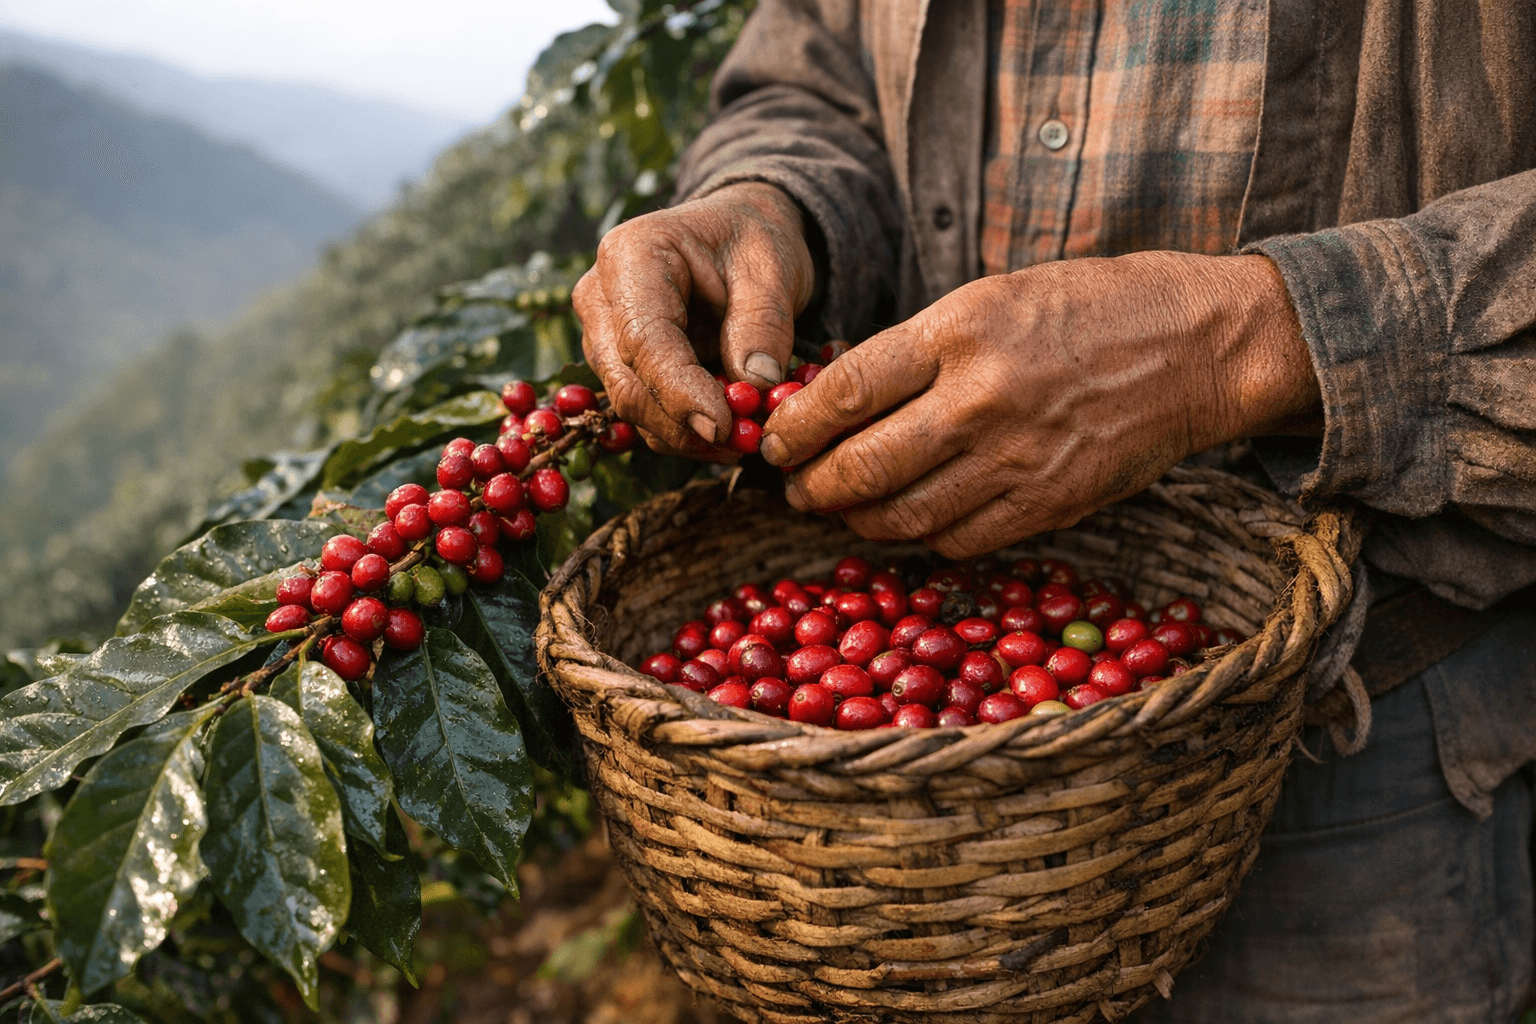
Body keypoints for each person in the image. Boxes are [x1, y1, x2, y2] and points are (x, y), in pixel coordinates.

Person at [572, 1, 1536, 1019]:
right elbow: (810, 69)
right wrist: (772, 201)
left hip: (1362, 748)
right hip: (896, 848)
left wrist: (1250, 345)